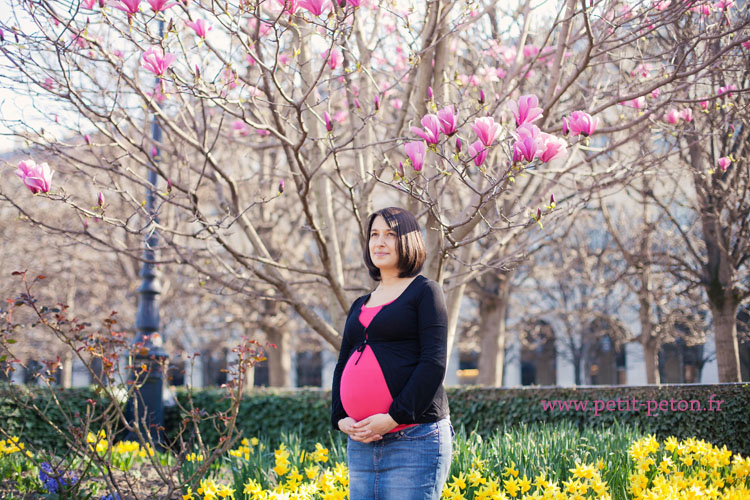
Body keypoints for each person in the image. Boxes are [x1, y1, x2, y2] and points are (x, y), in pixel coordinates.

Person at [331, 206, 453, 500]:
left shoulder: (426, 292)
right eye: (374, 234)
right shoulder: (360, 303)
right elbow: (342, 364)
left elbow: (433, 363)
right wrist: (339, 417)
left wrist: (394, 417)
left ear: (409, 241)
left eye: (390, 234)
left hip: (414, 439)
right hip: (361, 442)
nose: (379, 242)